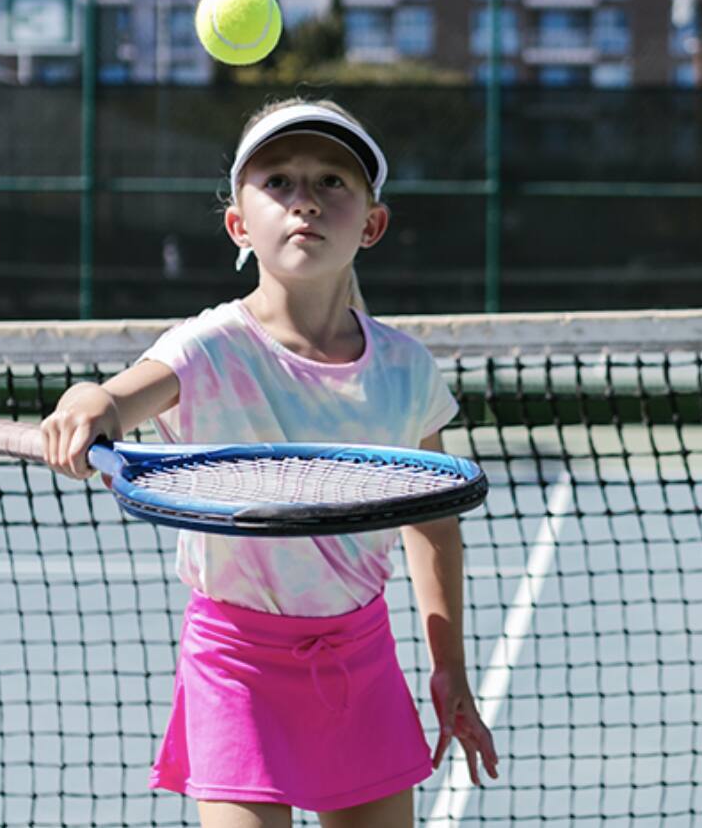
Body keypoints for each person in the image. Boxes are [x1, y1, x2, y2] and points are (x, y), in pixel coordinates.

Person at [40, 97, 499, 827]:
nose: (305, 202)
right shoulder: (207, 345)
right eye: (278, 182)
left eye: (331, 183)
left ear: (372, 224)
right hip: (236, 663)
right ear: (239, 225)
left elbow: (432, 526)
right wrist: (87, 402)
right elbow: (120, 395)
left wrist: (449, 667)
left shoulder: (406, 370)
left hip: (359, 656)